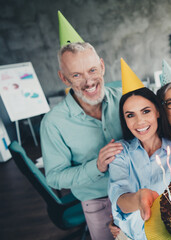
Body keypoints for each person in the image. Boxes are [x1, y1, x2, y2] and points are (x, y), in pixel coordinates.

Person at [40, 42, 123, 240]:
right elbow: (54, 177)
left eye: (92, 70)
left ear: (102, 66)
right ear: (64, 78)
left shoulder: (126, 99)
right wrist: (96, 166)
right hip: (98, 203)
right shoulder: (53, 123)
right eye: (76, 75)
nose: (88, 81)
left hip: (141, 191)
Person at [108, 87, 171, 240]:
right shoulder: (120, 153)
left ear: (157, 112)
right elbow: (118, 197)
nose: (139, 121)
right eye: (130, 115)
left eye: (146, 111)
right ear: (124, 120)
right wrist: (139, 199)